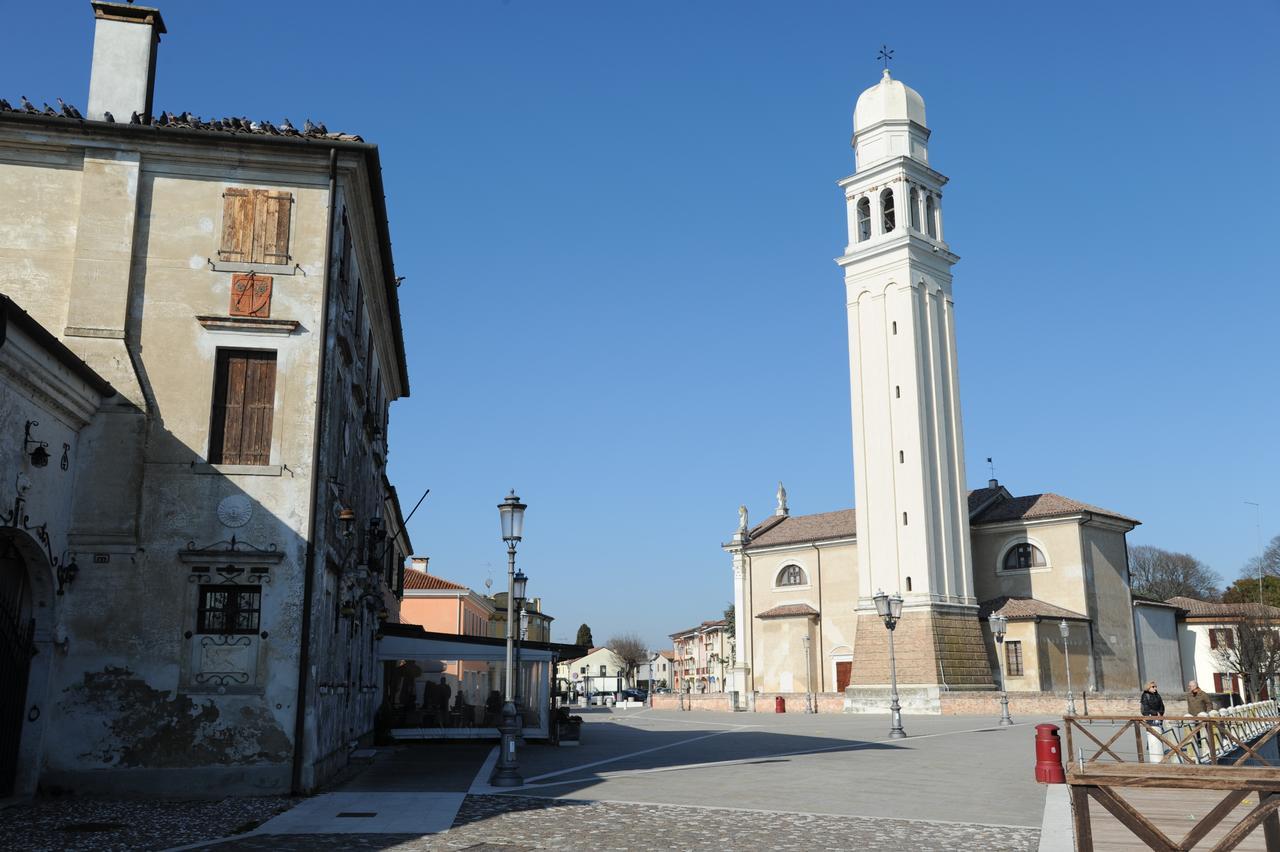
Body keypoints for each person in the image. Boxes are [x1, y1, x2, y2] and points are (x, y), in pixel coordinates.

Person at [1140, 681, 1166, 761]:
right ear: (1149, 688)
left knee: (1159, 732)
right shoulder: (1145, 696)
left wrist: (1160, 713)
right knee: (1152, 734)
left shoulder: (1157, 695)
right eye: (1153, 687)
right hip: (1151, 717)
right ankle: (1153, 752)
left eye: (1156, 686)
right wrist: (1155, 713)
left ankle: (1158, 751)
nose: (1155, 688)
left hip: (1159, 717)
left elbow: (1162, 705)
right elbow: (1145, 709)